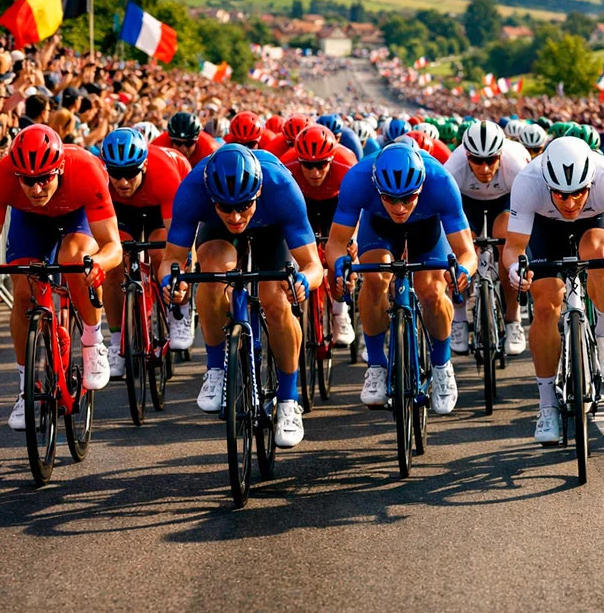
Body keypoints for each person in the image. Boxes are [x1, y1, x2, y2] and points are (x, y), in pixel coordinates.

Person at [162, 144, 324, 449]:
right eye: (226, 207)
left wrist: (303, 282)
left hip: (272, 230)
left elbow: (313, 265)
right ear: (212, 197)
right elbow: (170, 260)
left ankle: (289, 400)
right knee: (210, 271)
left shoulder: (281, 187)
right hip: (217, 235)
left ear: (258, 192)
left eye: (244, 206)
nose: (236, 216)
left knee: (276, 301)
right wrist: (173, 283)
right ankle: (215, 368)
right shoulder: (193, 188)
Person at [0, 125, 123, 430]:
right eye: (27, 180)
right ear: (16, 174)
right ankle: (26, 390)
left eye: (44, 179)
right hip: (31, 223)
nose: (36, 189)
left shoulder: (87, 169)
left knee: (74, 258)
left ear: (60, 168)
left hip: (76, 217)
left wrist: (99, 264)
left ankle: (92, 341)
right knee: (24, 291)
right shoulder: (0, 176)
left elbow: (112, 245)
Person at [502, 136, 604, 445]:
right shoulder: (528, 181)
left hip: (595, 225)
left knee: (599, 252)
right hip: (545, 227)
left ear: (590, 183)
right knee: (545, 304)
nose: (569, 203)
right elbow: (513, 247)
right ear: (547, 183)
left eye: (578, 193)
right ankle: (547, 406)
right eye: (561, 195)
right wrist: (516, 270)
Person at [325, 142, 476, 415]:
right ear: (376, 188)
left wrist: (462, 271)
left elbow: (467, 252)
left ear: (420, 188)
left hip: (427, 227)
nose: (399, 207)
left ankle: (442, 366)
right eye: (390, 198)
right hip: (378, 227)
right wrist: (341, 266)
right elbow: (335, 244)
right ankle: (376, 366)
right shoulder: (358, 179)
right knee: (375, 278)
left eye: (408, 198)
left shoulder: (441, 181)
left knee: (430, 290)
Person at [99, 128, 195, 381]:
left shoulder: (164, 173)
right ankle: (118, 341)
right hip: (123, 209)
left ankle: (180, 313)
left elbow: (179, 240)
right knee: (114, 266)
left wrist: (183, 270)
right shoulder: (102, 180)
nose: (123, 182)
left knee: (161, 250)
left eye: (130, 173)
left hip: (159, 204)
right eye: (116, 174)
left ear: (143, 167)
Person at [443, 121, 530, 357]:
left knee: (506, 243)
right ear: (467, 155)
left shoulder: (515, 166)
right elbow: (445, 212)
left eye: (491, 160)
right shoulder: (454, 167)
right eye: (477, 161)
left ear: (500, 154)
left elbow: (527, 210)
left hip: (505, 200)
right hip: (465, 201)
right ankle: (459, 318)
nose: (484, 168)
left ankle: (513, 321)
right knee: (460, 249)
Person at [281, 123, 358, 345]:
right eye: (308, 165)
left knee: (341, 254)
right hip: (301, 205)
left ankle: (340, 311)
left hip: (335, 205)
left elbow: (355, 210)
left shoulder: (346, 164)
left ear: (332, 160)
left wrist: (351, 241)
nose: (315, 172)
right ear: (299, 160)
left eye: (322, 165)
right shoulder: (287, 164)